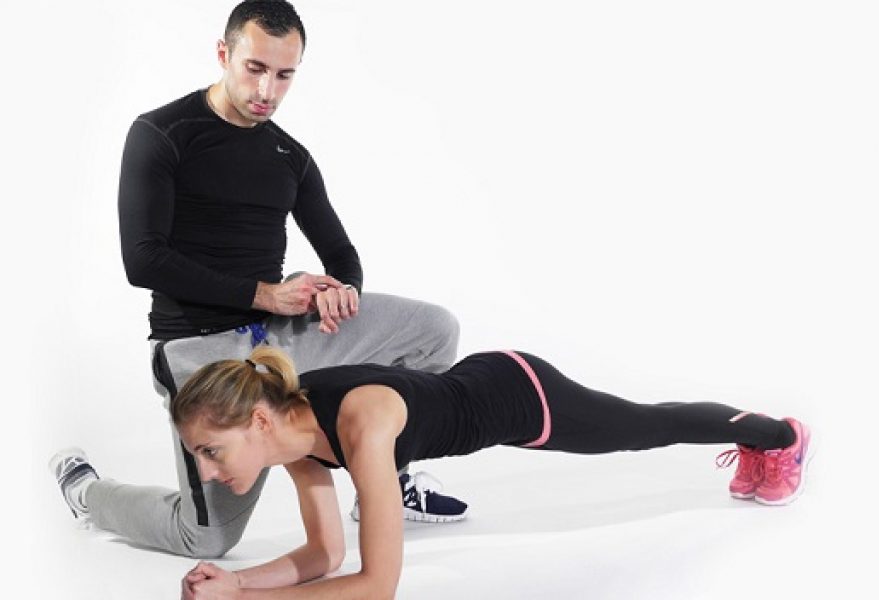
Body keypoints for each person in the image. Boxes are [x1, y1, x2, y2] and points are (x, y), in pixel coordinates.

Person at [48, 0, 466, 559]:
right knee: (208, 538)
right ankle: (85, 492)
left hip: (280, 336)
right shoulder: (162, 133)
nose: (267, 89)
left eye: (284, 75)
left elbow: (342, 252)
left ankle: (387, 483)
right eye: (255, 68)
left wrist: (344, 290)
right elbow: (143, 260)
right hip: (201, 349)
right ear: (224, 54)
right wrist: (266, 293)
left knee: (434, 331)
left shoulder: (289, 157)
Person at [163, 345, 813, 599]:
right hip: (472, 384)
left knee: (644, 427)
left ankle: (779, 436)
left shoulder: (358, 425)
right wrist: (238, 581)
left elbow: (376, 585)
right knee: (644, 426)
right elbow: (325, 554)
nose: (207, 471)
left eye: (211, 450)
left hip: (518, 398)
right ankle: (771, 439)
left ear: (258, 423)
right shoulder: (295, 440)